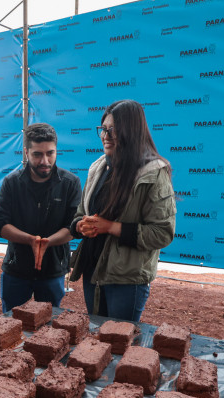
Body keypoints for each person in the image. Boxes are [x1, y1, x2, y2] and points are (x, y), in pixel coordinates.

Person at [68, 99, 176, 322]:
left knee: (119, 340)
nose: (105, 136)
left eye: (113, 130)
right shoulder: (98, 167)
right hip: (92, 272)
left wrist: (109, 227)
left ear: (132, 131)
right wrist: (80, 226)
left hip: (125, 281)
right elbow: (80, 213)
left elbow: (162, 233)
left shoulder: (153, 173)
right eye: (103, 129)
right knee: (96, 337)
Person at [0, 123, 81, 312]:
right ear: (26, 152)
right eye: (37, 154)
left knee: (49, 323)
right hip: (16, 268)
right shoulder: (12, 182)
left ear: (56, 151)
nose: (45, 161)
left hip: (53, 270)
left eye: (50, 153)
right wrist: (30, 240)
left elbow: (73, 227)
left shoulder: (70, 183)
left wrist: (48, 242)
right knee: (10, 322)